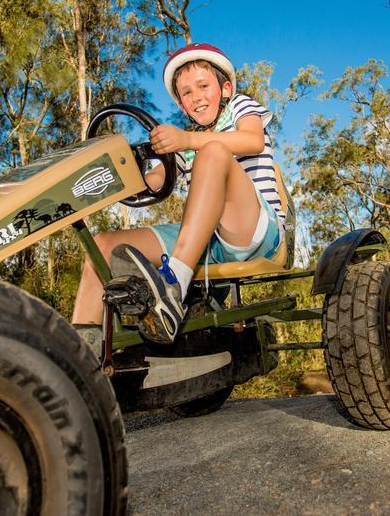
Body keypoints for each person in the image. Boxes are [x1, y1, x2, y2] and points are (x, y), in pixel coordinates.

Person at [72, 43, 286, 346]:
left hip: (255, 230)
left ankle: (174, 287)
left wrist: (186, 139)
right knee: (104, 245)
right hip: (208, 242)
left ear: (225, 88)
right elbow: (156, 180)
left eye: (203, 86)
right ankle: (80, 351)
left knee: (213, 151)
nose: (196, 96)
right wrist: (121, 176)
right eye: (186, 93)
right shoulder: (187, 143)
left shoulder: (240, 107)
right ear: (182, 105)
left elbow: (252, 140)